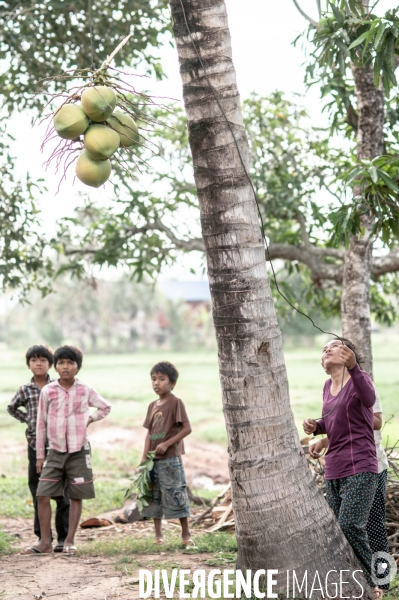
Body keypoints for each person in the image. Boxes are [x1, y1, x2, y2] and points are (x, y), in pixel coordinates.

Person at [303, 339, 382, 598]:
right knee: (339, 529)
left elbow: (369, 402)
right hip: (334, 468)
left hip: (361, 465)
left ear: (347, 354)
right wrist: (316, 426)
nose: (327, 349)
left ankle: (376, 583)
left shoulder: (361, 380)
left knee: (352, 525)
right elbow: (333, 421)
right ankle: (353, 582)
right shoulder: (328, 386)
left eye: (334, 345)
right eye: (324, 348)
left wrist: (355, 368)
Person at [22, 345, 111, 555]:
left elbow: (105, 407)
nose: (65, 367)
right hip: (54, 451)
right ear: (56, 366)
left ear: (77, 367)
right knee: (42, 495)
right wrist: (40, 456)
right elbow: (41, 424)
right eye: (61, 363)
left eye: (70, 363)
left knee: (75, 495)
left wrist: (90, 418)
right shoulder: (48, 391)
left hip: (79, 451)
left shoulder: (85, 389)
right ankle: (45, 542)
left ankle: (69, 540)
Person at [309, 391, 390, 592]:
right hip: (347, 466)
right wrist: (325, 439)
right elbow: (342, 425)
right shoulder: (332, 388)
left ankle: (383, 582)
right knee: (345, 524)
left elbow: (377, 422)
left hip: (373, 464)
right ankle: (358, 578)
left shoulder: (364, 387)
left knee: (374, 524)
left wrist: (350, 412)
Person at [7, 344, 70, 552]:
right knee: (38, 490)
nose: (38, 363)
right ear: (28, 365)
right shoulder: (25, 389)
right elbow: (12, 407)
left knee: (62, 491)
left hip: (58, 445)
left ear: (50, 364)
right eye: (34, 360)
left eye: (43, 360)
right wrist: (28, 421)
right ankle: (43, 537)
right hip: (35, 445)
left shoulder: (58, 386)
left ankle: (63, 537)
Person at [140, 361, 192, 546]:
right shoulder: (152, 405)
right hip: (153, 460)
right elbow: (149, 434)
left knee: (176, 493)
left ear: (172, 383)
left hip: (170, 460)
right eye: (154, 379)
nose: (157, 383)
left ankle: (186, 535)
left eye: (162, 379)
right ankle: (158, 536)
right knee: (154, 496)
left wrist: (168, 443)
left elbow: (187, 428)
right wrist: (144, 458)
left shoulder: (176, 402)